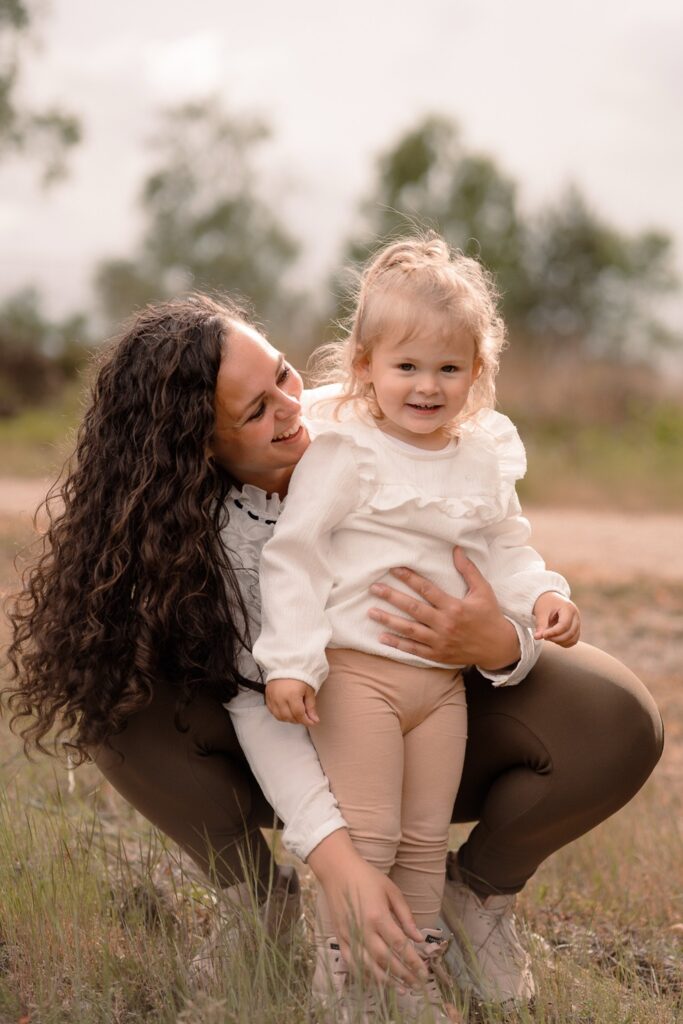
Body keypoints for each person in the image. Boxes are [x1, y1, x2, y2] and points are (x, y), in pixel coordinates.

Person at [3, 293, 663, 1011]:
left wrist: (499, 639)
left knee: (617, 711)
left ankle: (468, 902)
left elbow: (494, 540)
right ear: (201, 448)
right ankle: (262, 908)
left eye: (283, 374)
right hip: (298, 717)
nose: (293, 409)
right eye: (256, 412)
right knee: (114, 695)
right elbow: (255, 706)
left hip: (429, 703)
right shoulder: (205, 537)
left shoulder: (371, 415)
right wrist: (336, 860)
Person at [249, 235, 580, 1019]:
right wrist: (288, 661)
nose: (427, 387)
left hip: (440, 688)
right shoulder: (346, 450)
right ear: (364, 365)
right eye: (406, 367)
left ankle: (408, 977)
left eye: (448, 368)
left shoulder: (479, 455)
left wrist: (540, 595)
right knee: (370, 834)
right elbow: (293, 555)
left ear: (477, 372)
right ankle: (349, 983)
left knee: (425, 840)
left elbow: (505, 546)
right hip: (355, 674)